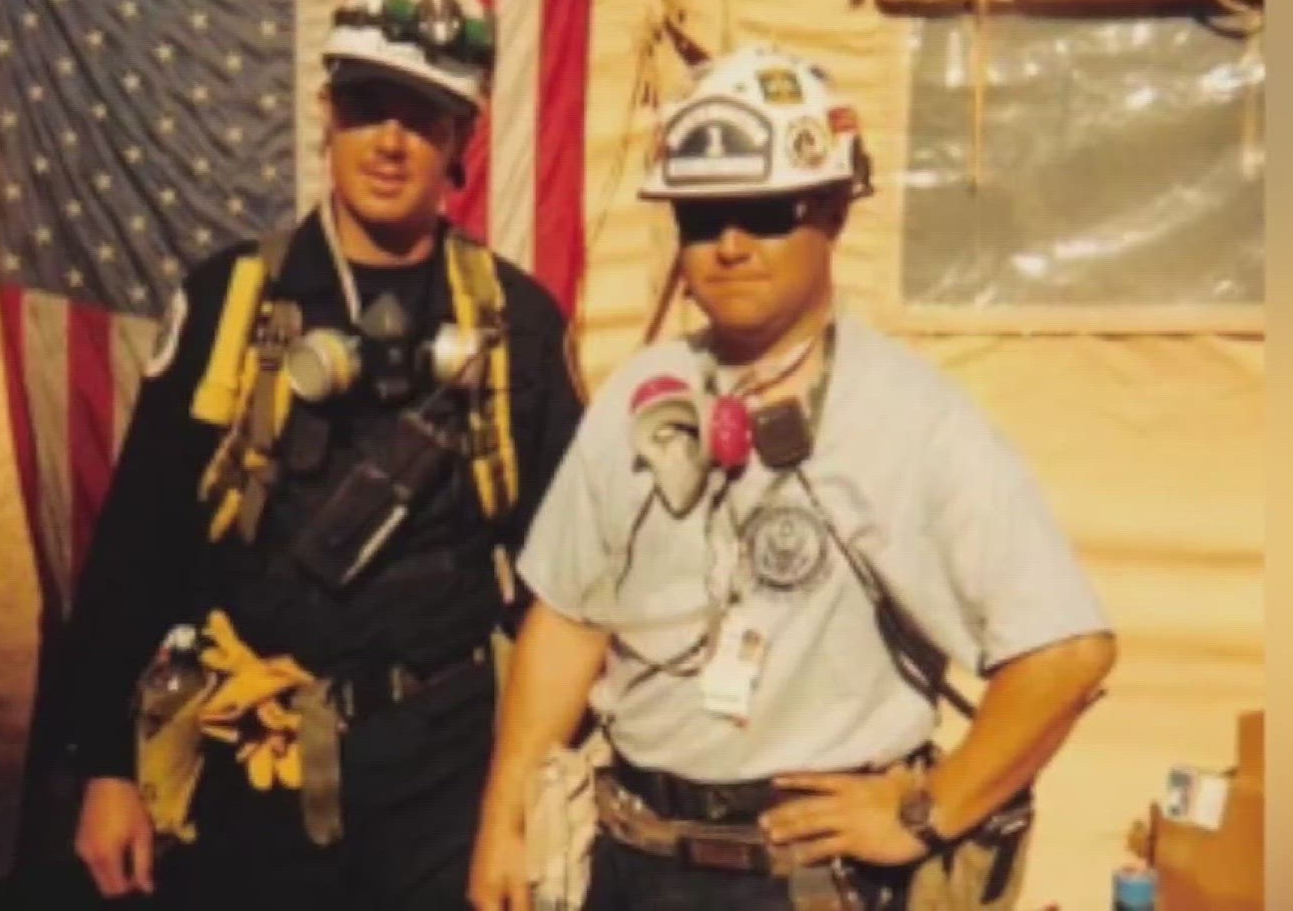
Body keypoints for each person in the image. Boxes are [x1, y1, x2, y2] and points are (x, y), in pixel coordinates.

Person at [468, 44, 1116, 911]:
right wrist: (506, 817)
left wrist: (926, 814)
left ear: (833, 212)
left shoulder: (914, 418)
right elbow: (568, 619)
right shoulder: (637, 392)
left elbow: (1068, 652)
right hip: (631, 862)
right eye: (702, 219)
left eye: (766, 212)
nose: (729, 246)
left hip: (804, 881)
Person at [61, 0, 583, 910]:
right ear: (325, 114)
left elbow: (565, 588)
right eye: (365, 105)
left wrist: (522, 801)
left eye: (422, 115)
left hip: (442, 778)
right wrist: (107, 768)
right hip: (244, 765)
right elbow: (136, 552)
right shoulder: (229, 302)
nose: (389, 141)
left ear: (463, 137)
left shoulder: (519, 327)